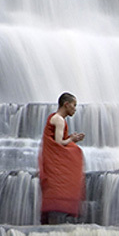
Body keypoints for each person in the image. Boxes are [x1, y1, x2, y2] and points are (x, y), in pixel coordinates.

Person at [38, 92, 86, 224]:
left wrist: (71, 139)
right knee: (76, 154)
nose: (75, 109)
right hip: (53, 159)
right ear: (66, 104)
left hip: (49, 157)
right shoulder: (59, 120)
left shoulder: (55, 118)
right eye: (74, 105)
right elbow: (58, 143)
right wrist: (71, 139)